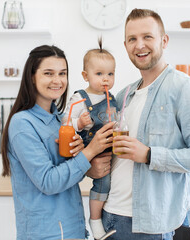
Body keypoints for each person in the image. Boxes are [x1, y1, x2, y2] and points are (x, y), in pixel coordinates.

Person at [102, 8, 190, 240]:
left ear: (164, 41)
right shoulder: (124, 95)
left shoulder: (185, 89)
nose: (139, 45)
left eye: (147, 37)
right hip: (110, 216)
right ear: (125, 46)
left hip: (148, 226)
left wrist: (149, 155)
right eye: (132, 39)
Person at [0, 45, 114, 240]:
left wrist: (85, 163)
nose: (57, 80)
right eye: (48, 73)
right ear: (32, 77)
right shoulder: (22, 124)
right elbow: (48, 182)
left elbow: (67, 173)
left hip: (73, 229)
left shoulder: (60, 119)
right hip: (47, 233)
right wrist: (90, 151)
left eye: (62, 73)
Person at [62, 38, 118, 239]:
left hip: (110, 150)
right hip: (88, 150)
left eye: (110, 74)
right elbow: (65, 122)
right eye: (99, 74)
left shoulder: (113, 98)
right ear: (85, 76)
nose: (106, 79)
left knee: (113, 183)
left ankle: (104, 216)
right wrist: (79, 123)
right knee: (102, 184)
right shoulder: (80, 98)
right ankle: (94, 220)